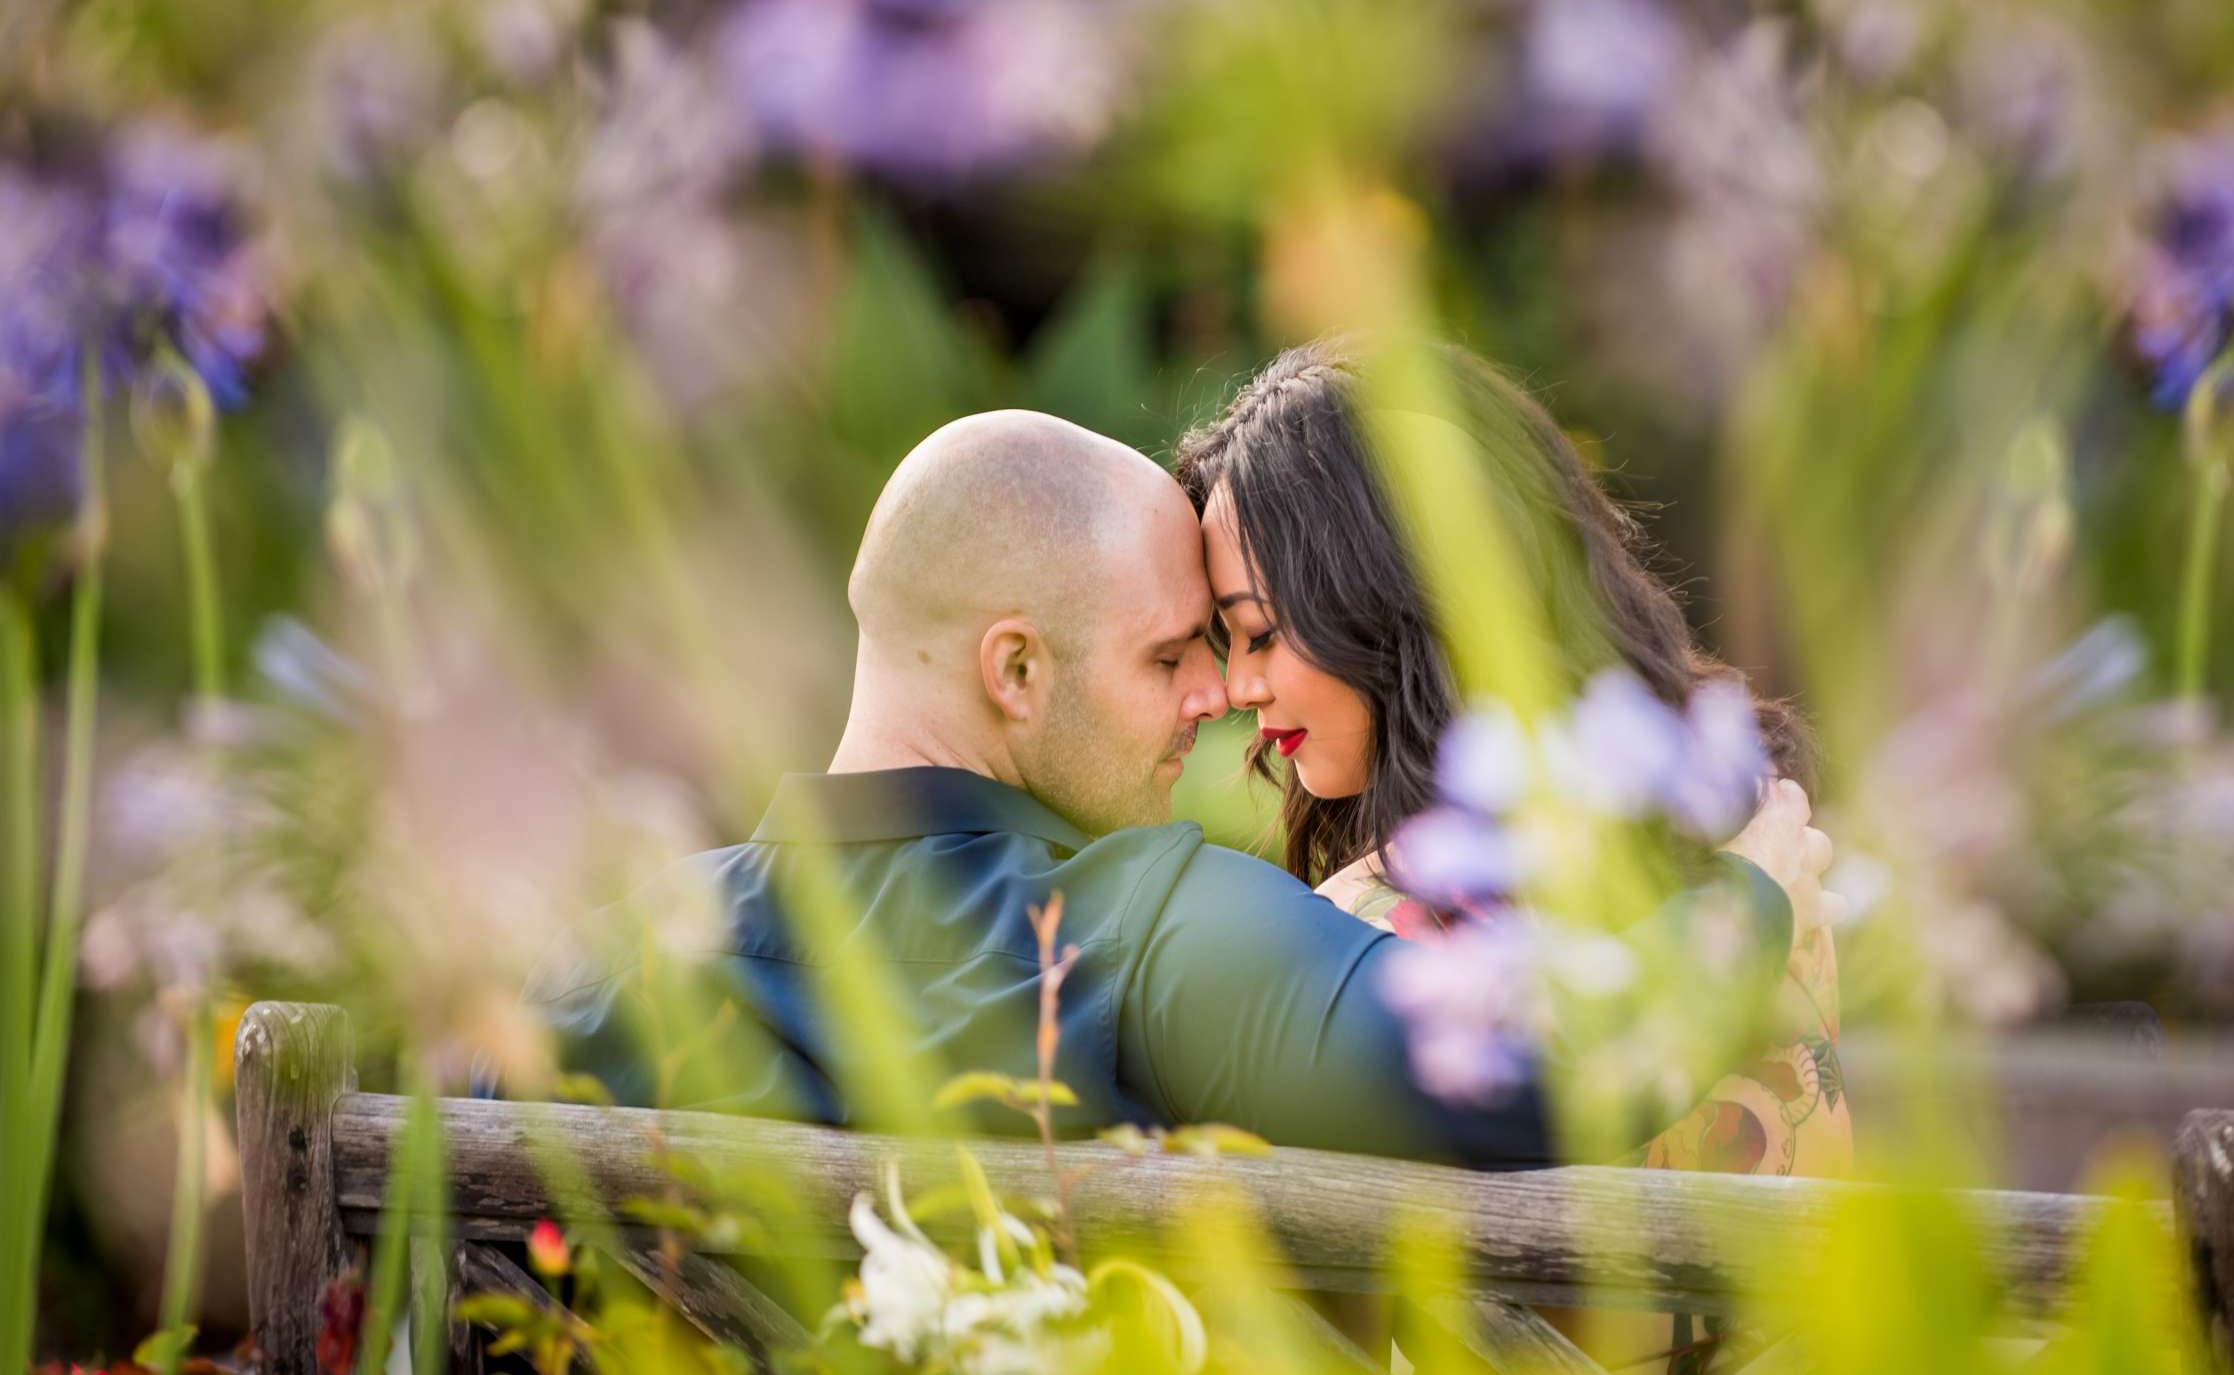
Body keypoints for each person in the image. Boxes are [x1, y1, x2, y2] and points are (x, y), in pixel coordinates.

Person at [526, 409, 1828, 1169]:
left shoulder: (598, 965)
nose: (1214, 699)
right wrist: (1749, 900)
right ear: (1017, 668)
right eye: (1171, 653)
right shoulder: (1137, 929)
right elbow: (1522, 1073)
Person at [1173, 339, 1849, 1184]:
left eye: (1261, 633)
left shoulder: (1365, 935)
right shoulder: (1756, 834)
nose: (1238, 686)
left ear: (1393, 598)